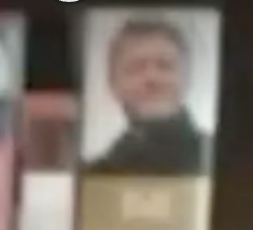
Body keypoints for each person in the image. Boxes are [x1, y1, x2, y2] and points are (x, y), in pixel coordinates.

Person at [84, 14, 211, 177]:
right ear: (113, 84)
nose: (152, 78)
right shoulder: (95, 174)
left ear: (186, 78)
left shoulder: (217, 156)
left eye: (165, 65)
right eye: (136, 68)